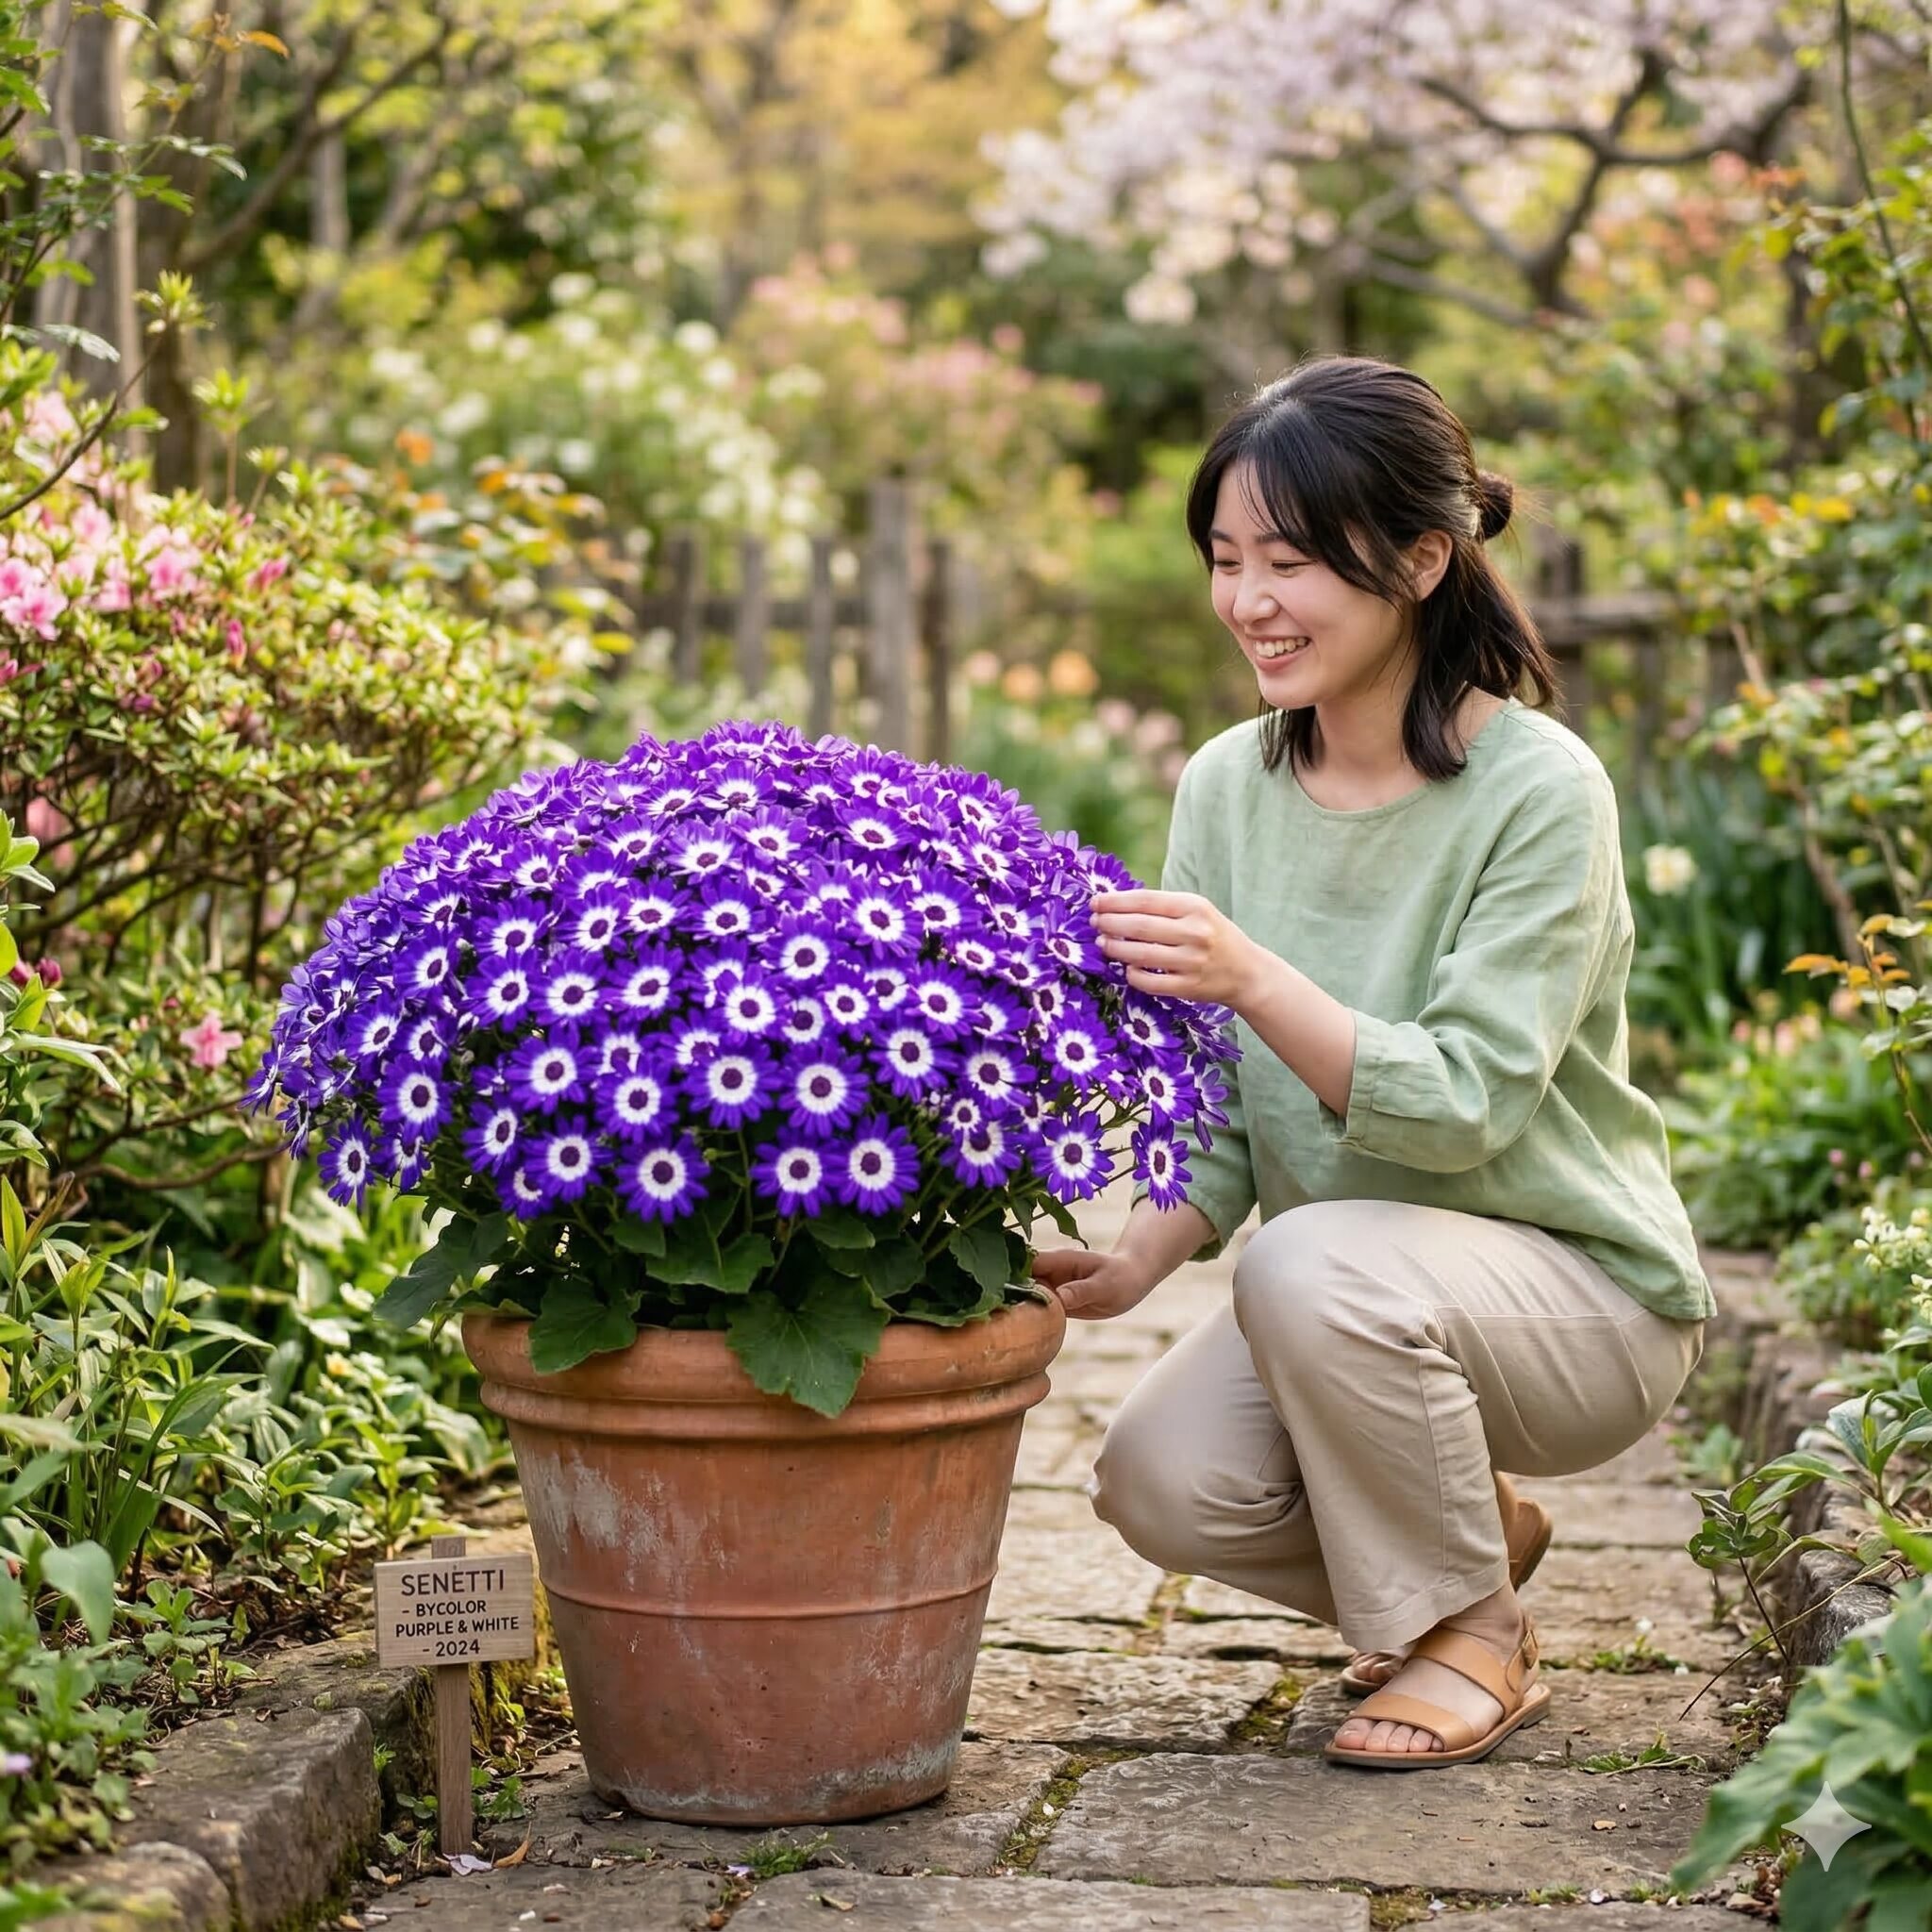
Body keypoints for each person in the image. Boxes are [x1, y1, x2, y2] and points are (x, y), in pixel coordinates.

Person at [1028, 355, 1714, 1771]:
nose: (1249, 603)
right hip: (1355, 1296)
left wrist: (1256, 973)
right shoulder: (1228, 782)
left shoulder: (1539, 790)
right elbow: (1218, 1097)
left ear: (1419, 557)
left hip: (1576, 1303)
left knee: (1307, 1257)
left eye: (1291, 560)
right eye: (1227, 560)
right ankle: (1472, 1532)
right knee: (1162, 1481)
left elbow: (1465, 1104)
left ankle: (1472, 1631)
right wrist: (1138, 1256)